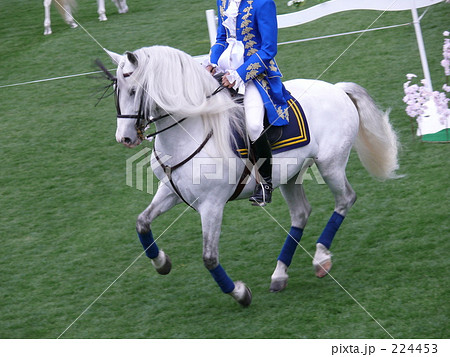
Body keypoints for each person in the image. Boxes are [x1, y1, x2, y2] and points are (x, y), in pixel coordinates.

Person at [205, 0, 292, 206]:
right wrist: (212, 62)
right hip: (225, 69)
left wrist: (239, 75)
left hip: (254, 75)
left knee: (253, 126)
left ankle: (266, 184)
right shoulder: (224, 1)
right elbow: (222, 38)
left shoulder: (263, 3)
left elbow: (268, 50)